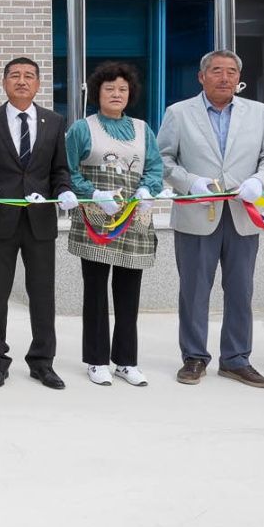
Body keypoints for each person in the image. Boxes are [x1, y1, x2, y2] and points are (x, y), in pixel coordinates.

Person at [157, 49, 264, 389]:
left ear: (239, 78)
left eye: (231, 71)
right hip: (198, 211)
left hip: (244, 213)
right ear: (202, 76)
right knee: (195, 290)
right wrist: (189, 183)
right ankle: (195, 356)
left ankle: (236, 359)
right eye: (216, 71)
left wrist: (259, 181)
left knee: (241, 289)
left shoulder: (258, 113)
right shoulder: (179, 112)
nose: (224, 77)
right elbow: (163, 159)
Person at [0, 56, 71, 390]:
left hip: (40, 220)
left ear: (38, 84)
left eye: (29, 76)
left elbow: (59, 170)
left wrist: (64, 192)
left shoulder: (54, 121)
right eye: (15, 75)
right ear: (4, 82)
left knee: (43, 295)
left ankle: (43, 362)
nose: (22, 81)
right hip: (0, 220)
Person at [65, 61, 165, 388]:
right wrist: (92, 193)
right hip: (95, 220)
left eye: (122, 89)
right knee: (95, 292)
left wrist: (147, 190)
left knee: (128, 294)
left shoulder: (142, 128)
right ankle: (96, 360)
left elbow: (153, 167)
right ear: (98, 92)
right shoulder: (82, 128)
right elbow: (69, 170)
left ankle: (126, 360)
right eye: (110, 89)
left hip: (133, 219)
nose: (116, 94)